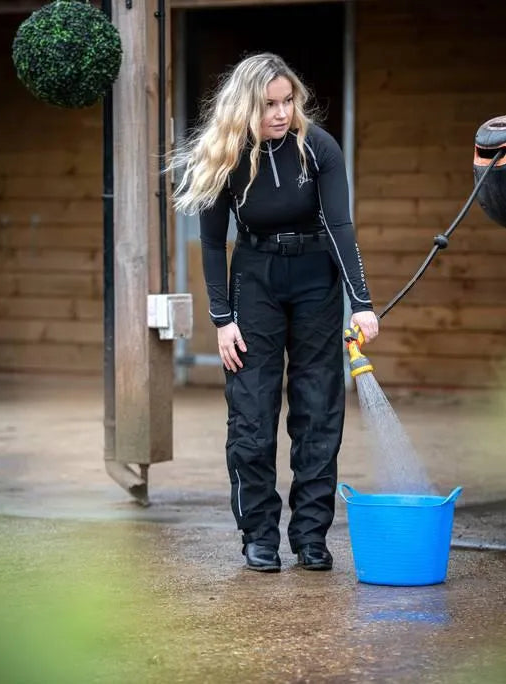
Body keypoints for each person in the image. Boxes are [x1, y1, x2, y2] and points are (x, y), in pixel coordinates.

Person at [170, 53, 379, 573]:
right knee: (252, 413)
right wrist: (222, 320)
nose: (281, 113)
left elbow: (340, 226)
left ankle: (311, 536)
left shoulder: (319, 147)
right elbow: (212, 243)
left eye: (288, 101)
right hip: (255, 279)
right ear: (246, 106)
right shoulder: (225, 154)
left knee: (318, 409)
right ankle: (258, 535)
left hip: (315, 279)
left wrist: (362, 303)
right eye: (268, 104)